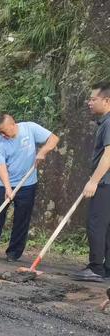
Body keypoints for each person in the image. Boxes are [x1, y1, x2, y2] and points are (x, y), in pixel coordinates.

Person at [0, 114, 59, 262]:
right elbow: (1, 167)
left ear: (13, 124)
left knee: (22, 219)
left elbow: (54, 139)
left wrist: (42, 152)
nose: (2, 135)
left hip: (27, 184)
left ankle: (13, 253)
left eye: (4, 131)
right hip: (4, 184)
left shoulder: (30, 128)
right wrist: (7, 188)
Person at [72, 81, 110, 282]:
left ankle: (96, 268)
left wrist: (94, 181)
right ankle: (107, 268)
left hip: (105, 183)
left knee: (96, 224)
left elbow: (109, 155)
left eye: (93, 99)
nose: (89, 102)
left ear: (107, 100)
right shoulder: (105, 123)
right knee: (108, 226)